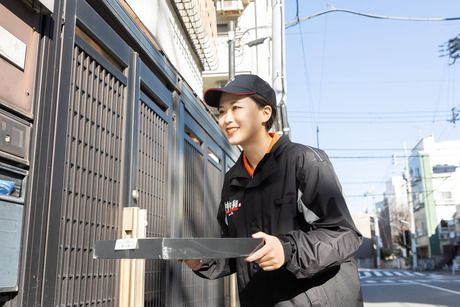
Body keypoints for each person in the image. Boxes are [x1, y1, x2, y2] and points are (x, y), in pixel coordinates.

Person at [184, 74, 363, 307]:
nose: (226, 119)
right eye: (221, 111)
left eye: (236, 108)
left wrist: (286, 249)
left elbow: (344, 235)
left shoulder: (305, 161)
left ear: (265, 113)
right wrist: (201, 260)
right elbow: (237, 250)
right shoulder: (233, 180)